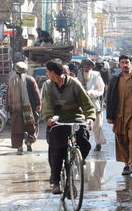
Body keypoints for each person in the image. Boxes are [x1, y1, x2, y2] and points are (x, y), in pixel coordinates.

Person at [42, 58, 95, 194]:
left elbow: (87, 104)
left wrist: (90, 118)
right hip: (57, 120)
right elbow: (47, 105)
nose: (46, 73)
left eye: (47, 71)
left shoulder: (74, 84)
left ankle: (76, 163)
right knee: (56, 149)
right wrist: (48, 118)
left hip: (75, 118)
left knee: (83, 139)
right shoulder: (48, 85)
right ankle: (56, 181)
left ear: (53, 72)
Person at [6, 62, 42, 154]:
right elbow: (36, 93)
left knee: (17, 128)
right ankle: (29, 142)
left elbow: (8, 95)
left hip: (16, 109)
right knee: (31, 126)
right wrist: (39, 104)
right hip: (30, 109)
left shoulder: (11, 80)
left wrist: (8, 107)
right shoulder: (31, 79)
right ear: (25, 70)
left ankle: (19, 147)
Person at [77, 59, 106, 152]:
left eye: (88, 66)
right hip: (81, 105)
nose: (86, 67)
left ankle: (98, 143)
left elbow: (101, 90)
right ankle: (82, 144)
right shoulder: (78, 75)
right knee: (81, 126)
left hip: (94, 103)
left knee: (98, 126)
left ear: (91, 67)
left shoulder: (96, 75)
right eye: (85, 65)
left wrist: (91, 93)